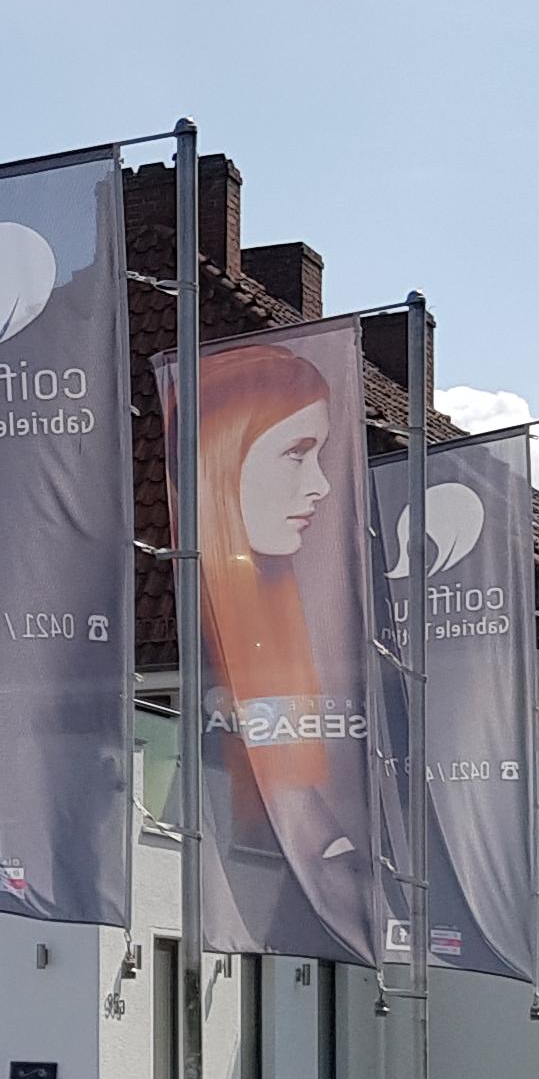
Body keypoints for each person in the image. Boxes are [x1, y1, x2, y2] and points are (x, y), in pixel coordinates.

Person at [193, 339, 377, 962]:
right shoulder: (195, 613)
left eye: (322, 455)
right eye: (297, 455)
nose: (323, 484)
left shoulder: (289, 619)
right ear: (222, 455)